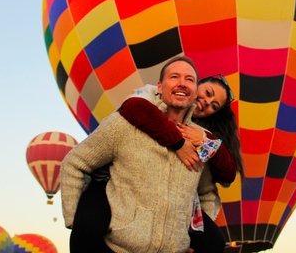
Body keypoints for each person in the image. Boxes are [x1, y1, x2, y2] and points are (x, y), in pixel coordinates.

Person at [69, 74, 244, 253]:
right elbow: (133, 107)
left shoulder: (203, 134)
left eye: (214, 105)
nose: (207, 101)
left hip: (174, 194)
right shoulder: (154, 95)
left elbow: (227, 175)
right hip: (116, 178)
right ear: (195, 84)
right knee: (88, 224)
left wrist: (205, 140)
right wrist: (179, 142)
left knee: (214, 242)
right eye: (208, 92)